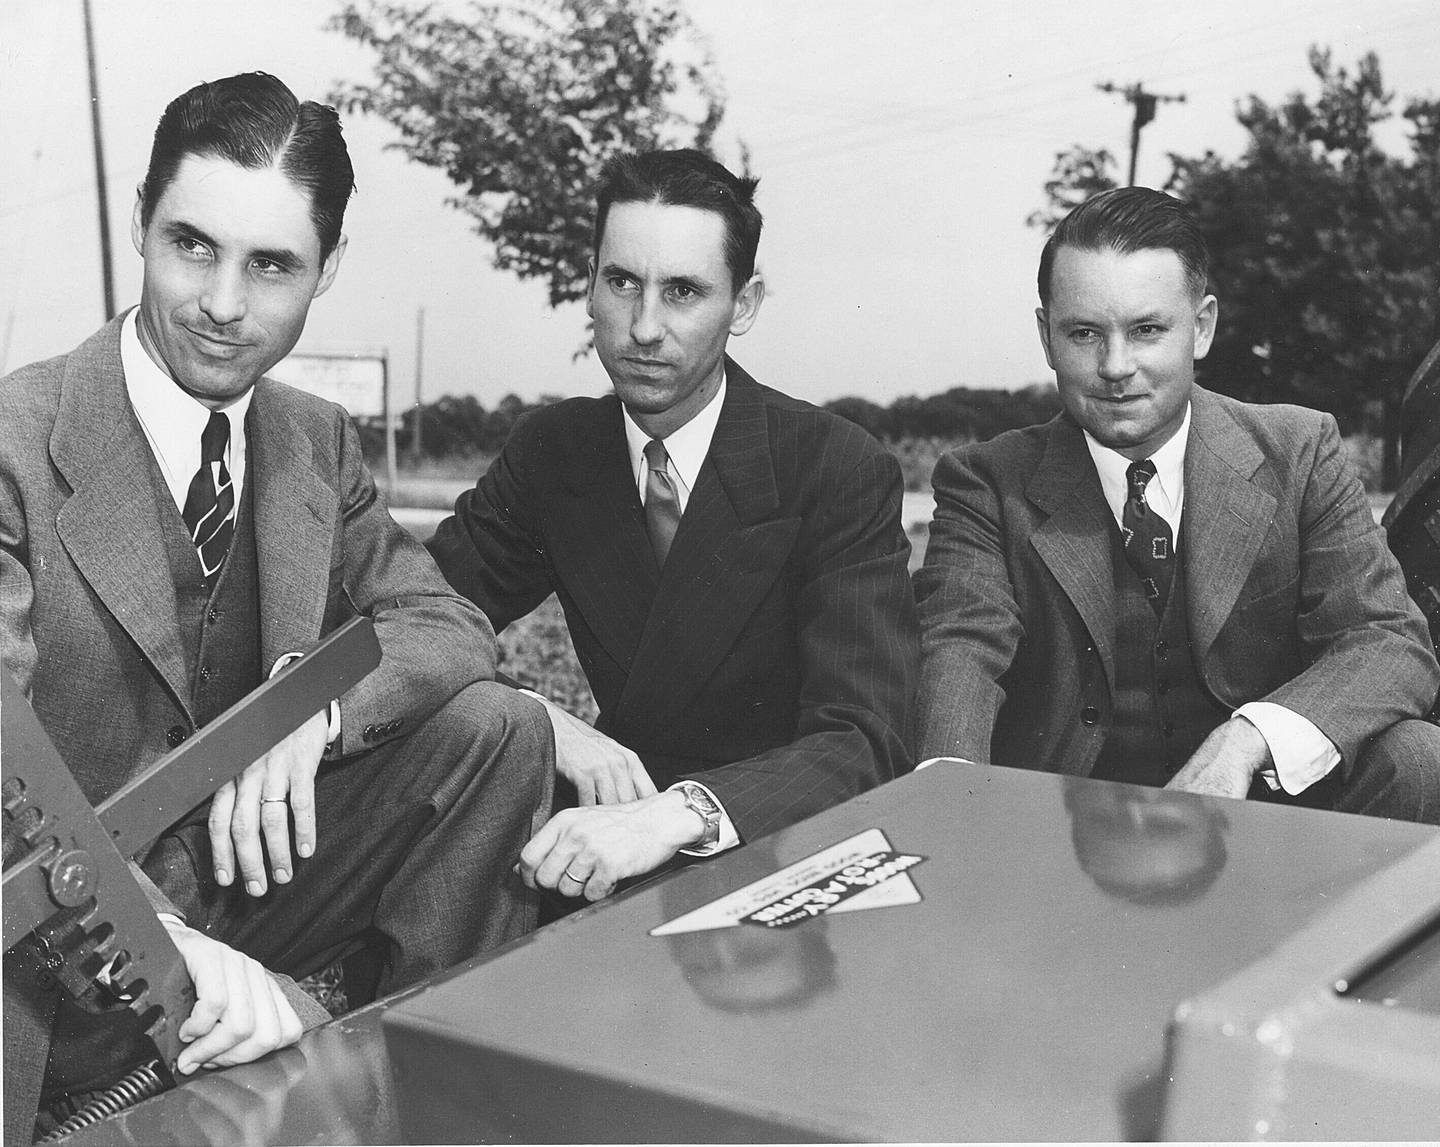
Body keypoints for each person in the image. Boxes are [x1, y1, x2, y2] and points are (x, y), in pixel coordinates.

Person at [0, 72, 553, 1138]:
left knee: (500, 729)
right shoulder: (17, 442)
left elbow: (447, 627)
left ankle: (427, 1091)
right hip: (49, 941)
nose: (221, 303)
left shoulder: (310, 437)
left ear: (328, 267)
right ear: (140, 224)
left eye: (272, 265)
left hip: (242, 887)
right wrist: (162, 945)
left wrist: (314, 712)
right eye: (192, 245)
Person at [429, 149, 918, 902]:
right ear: (589, 284)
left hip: (779, 847)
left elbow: (865, 739)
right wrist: (539, 718)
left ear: (745, 304)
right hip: (604, 831)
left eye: (683, 291)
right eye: (621, 282)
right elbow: (414, 620)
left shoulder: (833, 467)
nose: (644, 327)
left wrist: (678, 813)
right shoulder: (557, 452)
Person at [915, 186, 1440, 820]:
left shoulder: (1299, 450)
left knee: (1418, 758)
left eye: (1146, 330)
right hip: (1067, 831)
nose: (1116, 366)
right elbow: (960, 653)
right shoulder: (986, 483)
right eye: (1084, 333)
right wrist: (944, 803)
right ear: (1046, 337)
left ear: (1203, 327)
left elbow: (1386, 640)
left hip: (1270, 818)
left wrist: (1244, 743)